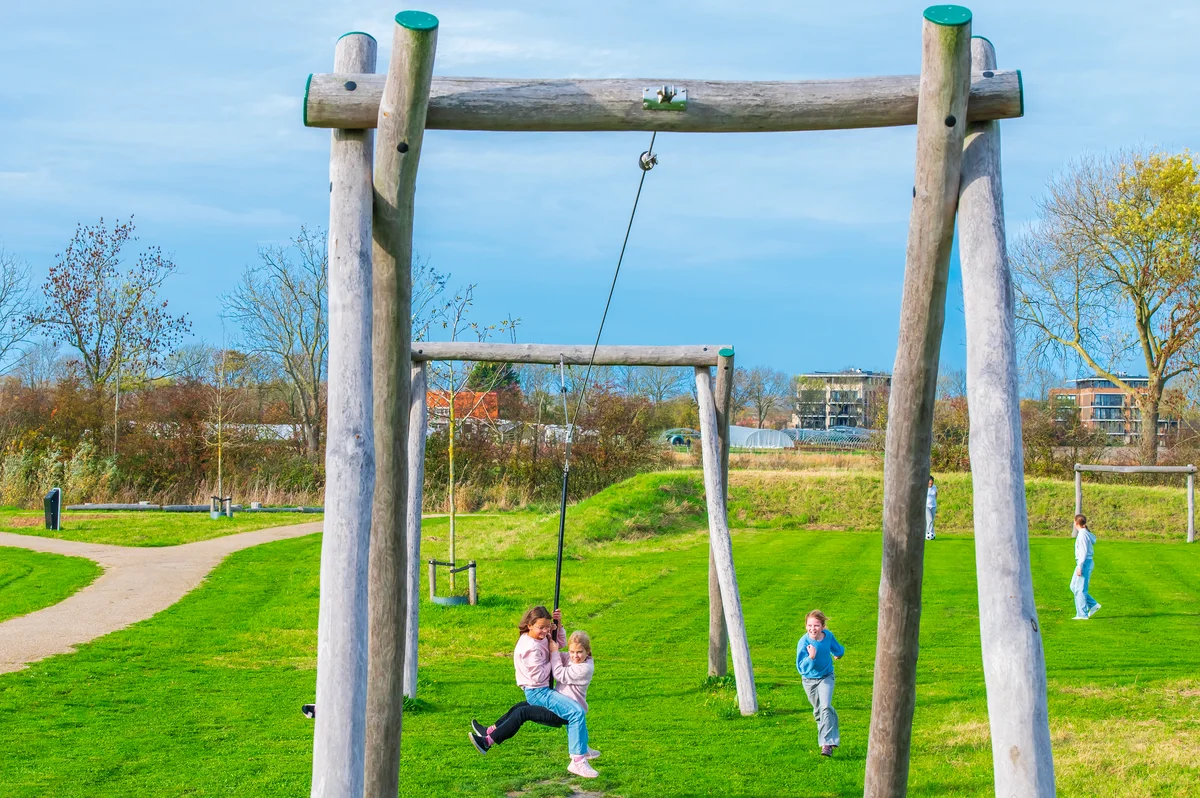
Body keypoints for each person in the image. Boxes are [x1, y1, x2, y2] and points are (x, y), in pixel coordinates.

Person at [469, 606, 597, 778]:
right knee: (575, 713)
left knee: (520, 708)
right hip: (539, 690)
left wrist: (558, 625)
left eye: (547, 627)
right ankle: (578, 761)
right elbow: (542, 674)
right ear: (530, 625)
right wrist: (553, 656)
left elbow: (559, 645)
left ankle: (489, 733)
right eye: (541, 627)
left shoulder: (538, 636)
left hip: (539, 690)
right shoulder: (531, 648)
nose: (545, 631)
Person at [796, 609, 845, 756]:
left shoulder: (828, 636)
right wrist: (811, 657)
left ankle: (827, 744)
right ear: (806, 626)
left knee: (825, 707)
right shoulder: (803, 642)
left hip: (826, 677)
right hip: (809, 680)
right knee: (819, 711)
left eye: (816, 625)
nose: (813, 629)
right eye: (810, 625)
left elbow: (837, 648)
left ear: (823, 626)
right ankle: (827, 734)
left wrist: (838, 654)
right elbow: (801, 668)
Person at [1070, 514, 1100, 620]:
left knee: (1080, 589)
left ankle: (1082, 614)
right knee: (1073, 586)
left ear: (1076, 522)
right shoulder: (1085, 533)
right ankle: (1092, 605)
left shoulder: (1082, 535)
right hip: (1085, 562)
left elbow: (1083, 552)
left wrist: (1080, 566)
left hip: (1084, 563)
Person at [925, 475, 938, 541]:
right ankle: (929, 534)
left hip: (933, 506)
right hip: (926, 506)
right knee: (929, 520)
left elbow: (935, 495)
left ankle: (930, 533)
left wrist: (934, 502)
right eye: (929, 483)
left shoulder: (935, 487)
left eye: (932, 483)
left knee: (931, 521)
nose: (931, 484)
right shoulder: (924, 488)